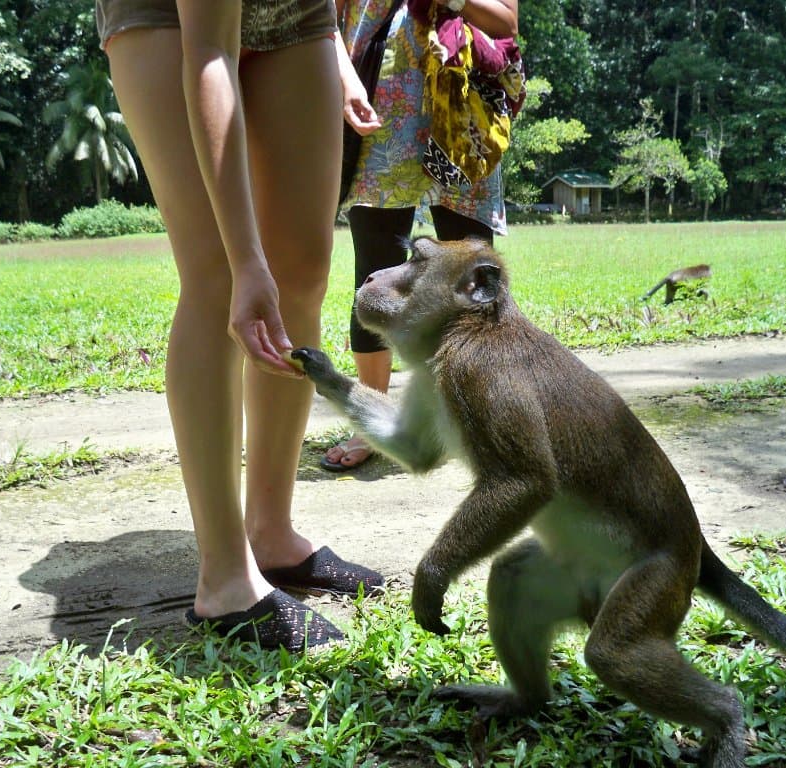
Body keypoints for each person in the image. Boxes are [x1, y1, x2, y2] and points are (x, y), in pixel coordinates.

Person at [94, 0, 383, 653]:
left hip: (297, 12)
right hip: (171, 17)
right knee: (219, 273)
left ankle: (271, 534)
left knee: (304, 269)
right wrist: (247, 260)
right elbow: (210, 54)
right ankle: (225, 579)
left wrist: (337, 54)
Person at [325, 0, 520, 471]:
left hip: (460, 114)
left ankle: (483, 415)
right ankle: (369, 422)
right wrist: (340, 80)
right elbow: (322, 20)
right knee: (374, 272)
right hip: (379, 109)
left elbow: (505, 19)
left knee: (477, 279)